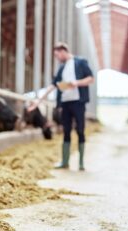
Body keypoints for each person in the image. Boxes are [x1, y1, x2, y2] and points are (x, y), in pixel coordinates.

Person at [28, 42, 94, 170]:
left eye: (57, 55)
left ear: (63, 51)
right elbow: (53, 86)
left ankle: (81, 163)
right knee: (66, 131)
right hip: (65, 103)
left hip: (78, 102)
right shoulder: (61, 68)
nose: (57, 58)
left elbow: (91, 79)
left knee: (80, 130)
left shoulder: (80, 62)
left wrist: (77, 83)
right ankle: (65, 161)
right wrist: (38, 101)